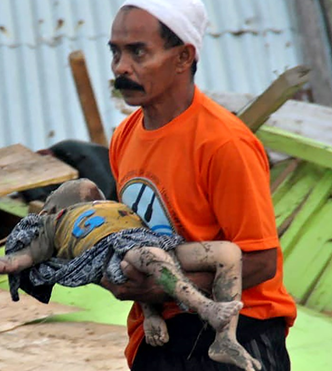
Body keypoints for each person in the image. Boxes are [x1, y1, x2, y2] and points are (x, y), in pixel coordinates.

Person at [104, 0, 297, 370]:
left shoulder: (223, 143)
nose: (121, 67)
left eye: (138, 52)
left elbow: (260, 260)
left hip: (239, 327)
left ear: (183, 58)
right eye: (116, 52)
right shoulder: (124, 138)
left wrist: (167, 288)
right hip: (160, 330)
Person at [0, 179, 260, 371]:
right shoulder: (48, 229)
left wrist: (151, 314)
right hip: (117, 257)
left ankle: (224, 340)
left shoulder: (111, 204)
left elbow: (147, 238)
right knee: (148, 257)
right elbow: (9, 263)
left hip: (153, 245)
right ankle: (208, 310)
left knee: (227, 252)